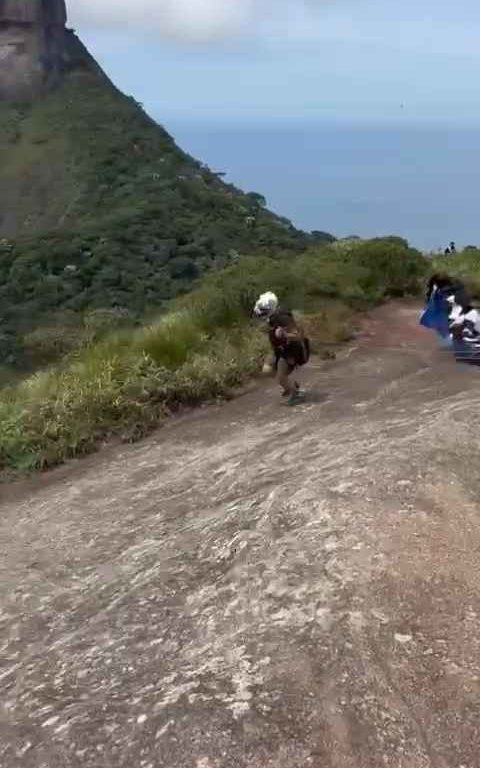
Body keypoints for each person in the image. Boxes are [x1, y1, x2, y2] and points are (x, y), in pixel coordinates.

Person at [254, 292, 310, 406]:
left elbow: (298, 335)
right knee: (267, 370)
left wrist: (284, 335)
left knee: (281, 377)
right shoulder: (274, 318)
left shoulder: (282, 318)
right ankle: (290, 386)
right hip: (281, 350)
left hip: (292, 351)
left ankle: (296, 394)